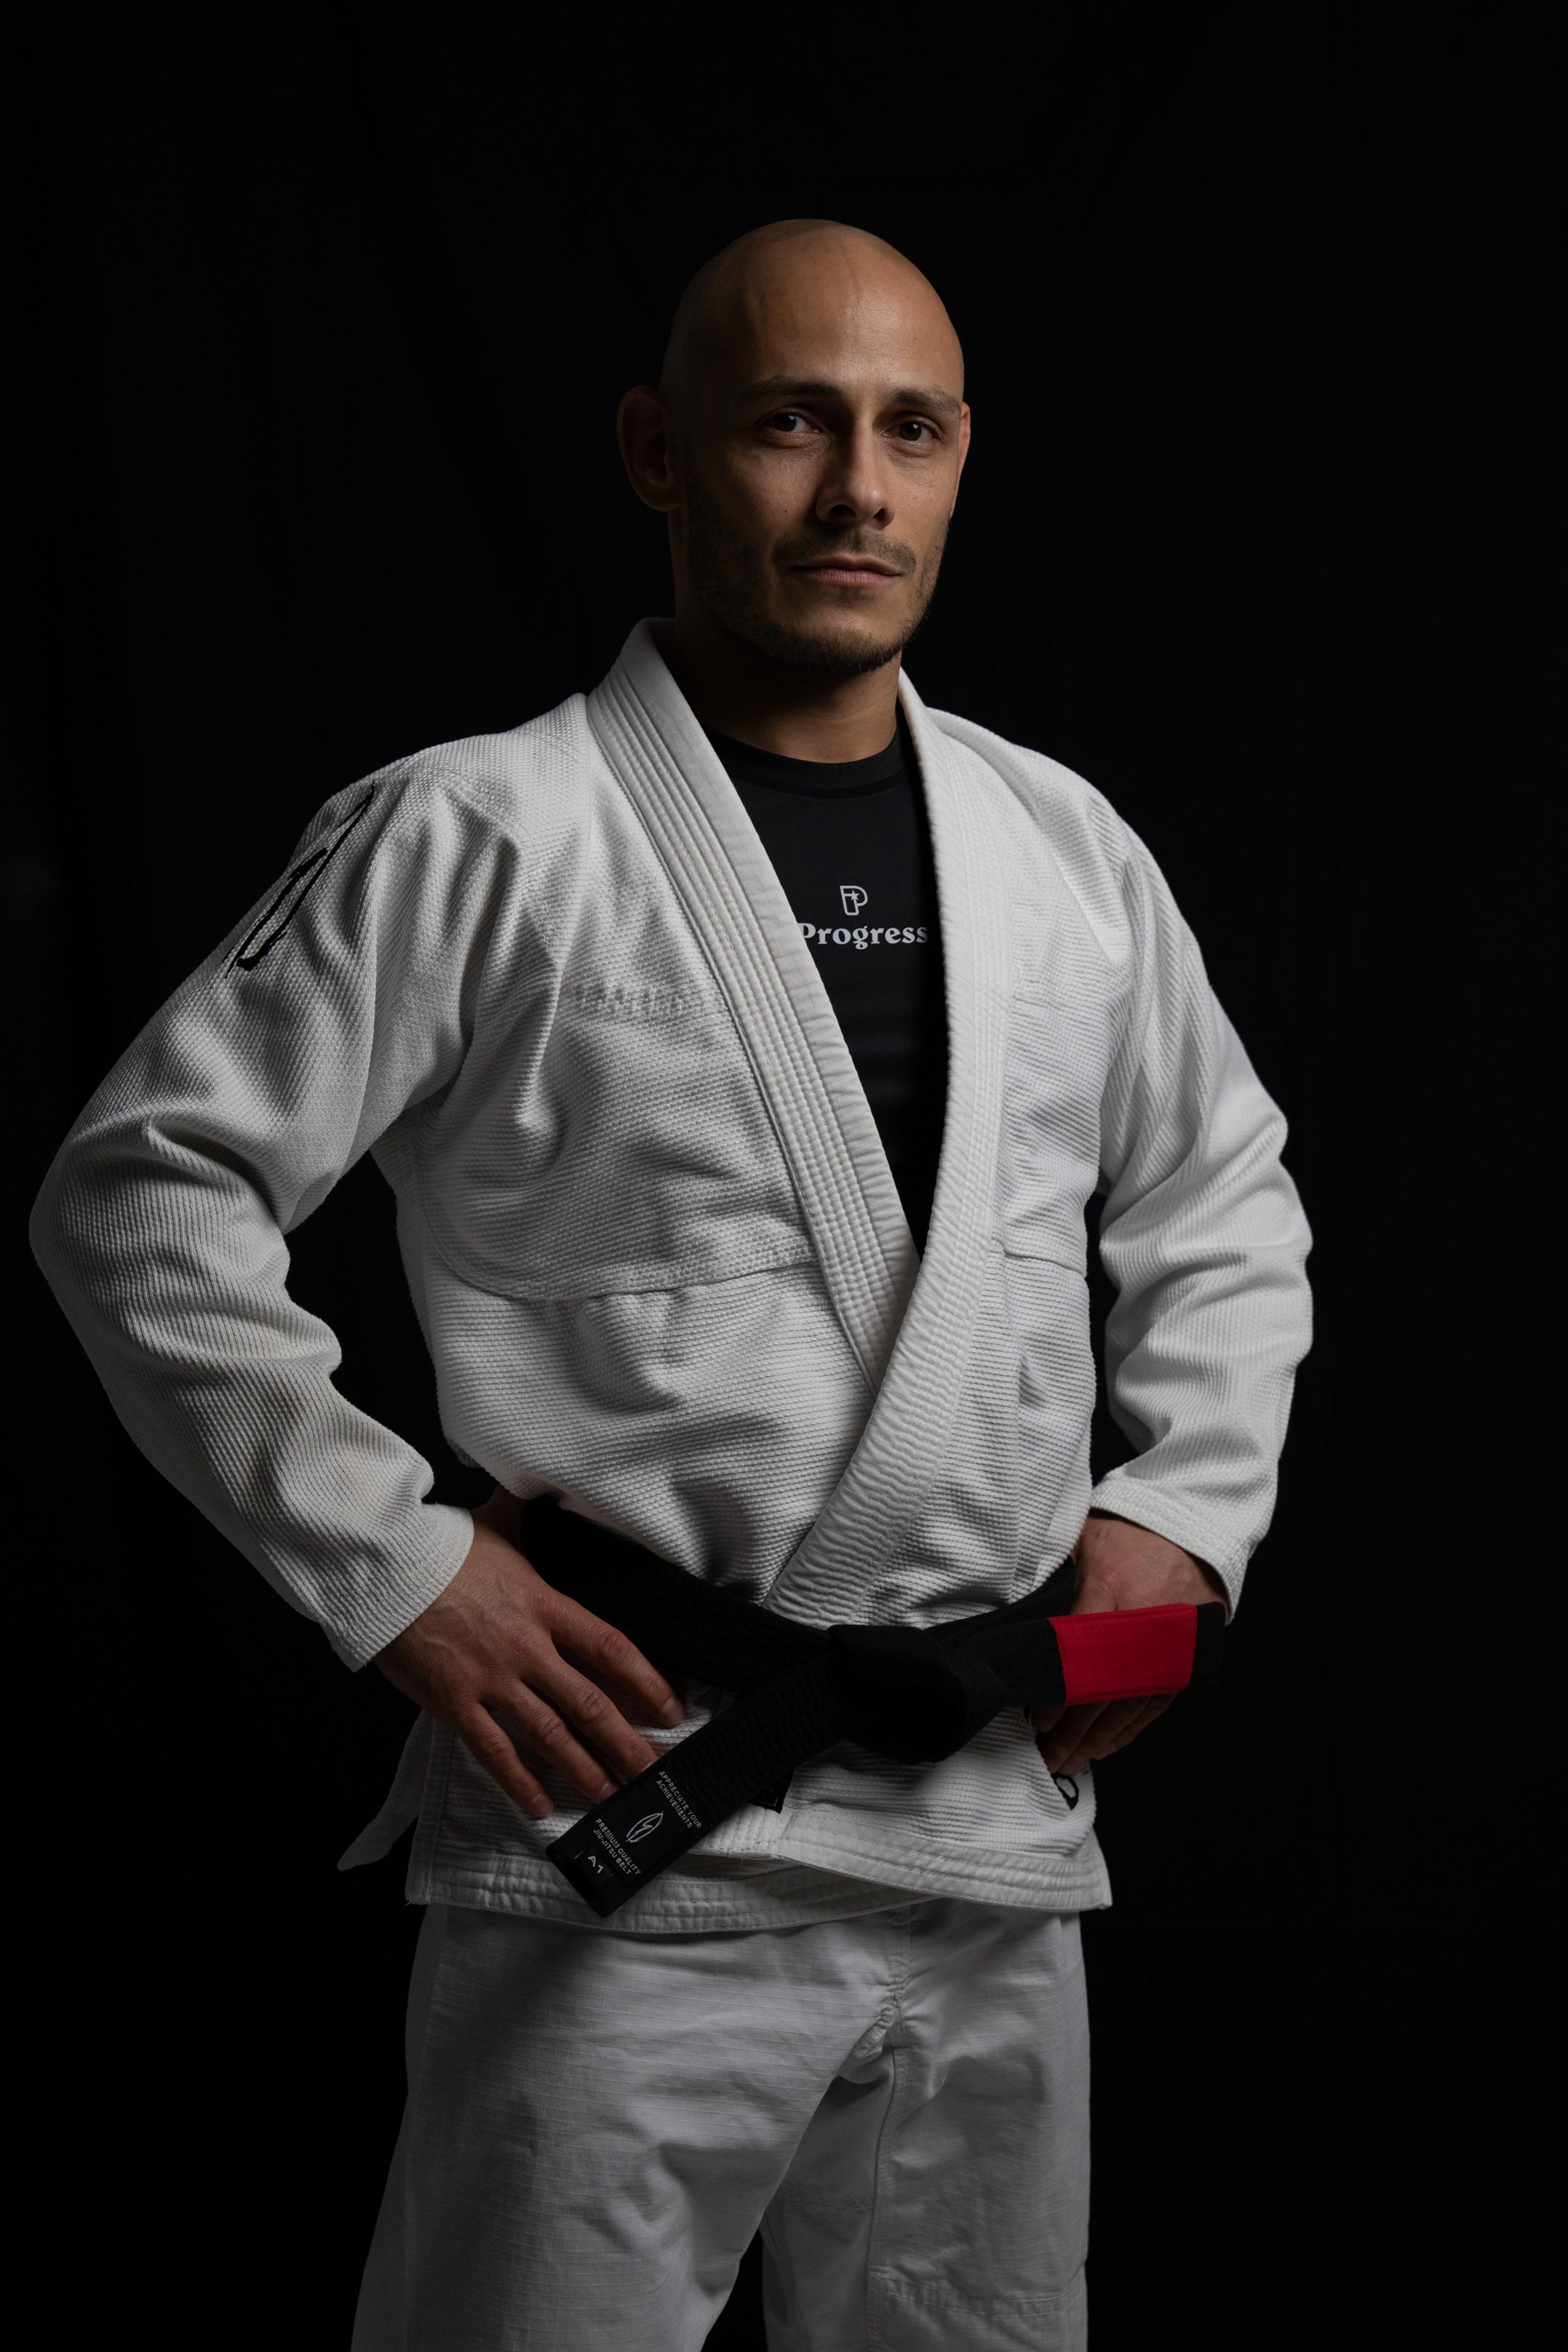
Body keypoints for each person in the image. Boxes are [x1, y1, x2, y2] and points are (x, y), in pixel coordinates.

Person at [31, 219, 1311, 2350]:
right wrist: (394, 1567)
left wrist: (1184, 1511)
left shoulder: (1064, 846)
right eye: (789, 422)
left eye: (911, 430)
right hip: (623, 1818)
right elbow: (139, 1189)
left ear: (963, 456)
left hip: (986, 1822)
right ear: (657, 450)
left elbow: (1226, 1197)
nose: (857, 490)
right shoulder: (480, 828)